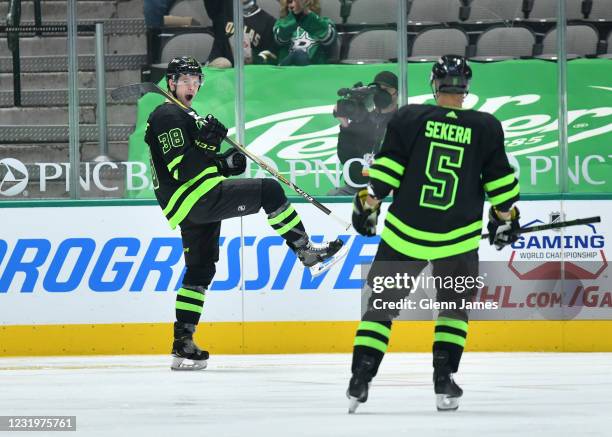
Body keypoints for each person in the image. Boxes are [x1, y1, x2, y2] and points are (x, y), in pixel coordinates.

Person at [144, 56, 346, 371]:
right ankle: (306, 253)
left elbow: (198, 161)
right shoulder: (167, 115)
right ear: (170, 82)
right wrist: (217, 156)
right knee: (270, 191)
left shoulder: (185, 115)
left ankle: (182, 344)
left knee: (200, 272)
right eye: (185, 80)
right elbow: (182, 168)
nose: (191, 86)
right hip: (195, 197)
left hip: (193, 204)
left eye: (196, 80)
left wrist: (220, 158)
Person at [347, 55, 521, 412]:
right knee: (453, 311)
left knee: (380, 308)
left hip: (403, 235)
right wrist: (505, 218)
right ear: (466, 87)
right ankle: (444, 380)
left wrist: (370, 202)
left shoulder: (410, 117)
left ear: (434, 84)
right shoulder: (486, 127)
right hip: (457, 241)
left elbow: (388, 170)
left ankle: (360, 379)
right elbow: (501, 187)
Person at [328, 71, 399, 196]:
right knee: (334, 195)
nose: (382, 94)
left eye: (386, 89)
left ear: (397, 93)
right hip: (360, 186)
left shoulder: (403, 118)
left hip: (390, 186)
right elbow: (345, 157)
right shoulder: (364, 119)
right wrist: (345, 125)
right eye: (378, 89)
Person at [205, 0, 279, 66]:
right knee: (224, 63)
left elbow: (272, 59)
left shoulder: (269, 22)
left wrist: (253, 57)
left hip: (249, 74)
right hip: (219, 66)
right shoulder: (222, 7)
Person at [273, 0, 337, 65]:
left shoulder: (326, 23)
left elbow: (328, 37)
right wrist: (296, 16)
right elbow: (280, 38)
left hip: (314, 71)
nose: (293, 4)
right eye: (290, 1)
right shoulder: (280, 24)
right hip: (287, 70)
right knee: (299, 54)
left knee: (300, 54)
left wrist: (306, 14)